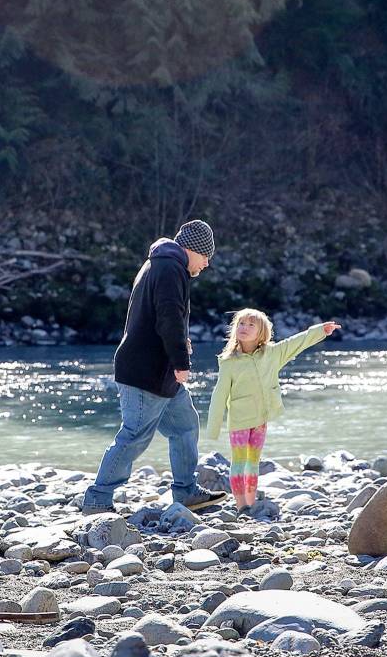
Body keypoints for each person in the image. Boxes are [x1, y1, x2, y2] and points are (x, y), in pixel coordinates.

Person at [82, 220, 227, 515]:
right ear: (193, 249)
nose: (207, 263)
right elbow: (168, 317)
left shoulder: (164, 265)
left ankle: (186, 491)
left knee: (185, 425)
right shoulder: (169, 268)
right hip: (145, 372)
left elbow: (158, 318)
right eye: (206, 255)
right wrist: (180, 362)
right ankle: (97, 499)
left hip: (157, 372)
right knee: (134, 436)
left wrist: (179, 344)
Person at [206, 309, 341, 510]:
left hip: (261, 418)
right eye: (241, 324)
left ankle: (251, 503)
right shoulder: (228, 362)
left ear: (262, 333)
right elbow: (219, 394)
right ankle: (241, 505)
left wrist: (321, 330)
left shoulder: (272, 354)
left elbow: (297, 342)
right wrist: (213, 427)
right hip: (240, 420)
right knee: (239, 462)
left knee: (253, 462)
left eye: (251, 325)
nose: (245, 328)